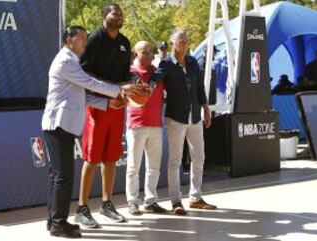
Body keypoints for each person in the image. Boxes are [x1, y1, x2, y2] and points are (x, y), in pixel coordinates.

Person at [42, 26, 139, 238]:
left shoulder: (72, 61)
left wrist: (107, 103)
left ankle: (54, 221)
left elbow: (82, 95)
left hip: (61, 125)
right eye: (82, 38)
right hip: (59, 124)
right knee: (63, 177)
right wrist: (120, 90)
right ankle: (58, 222)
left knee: (58, 176)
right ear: (69, 40)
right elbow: (89, 83)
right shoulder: (66, 60)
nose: (85, 42)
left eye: (86, 37)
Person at [74, 3, 132, 228]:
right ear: (103, 16)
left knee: (111, 157)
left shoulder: (125, 42)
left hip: (118, 106)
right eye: (113, 12)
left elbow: (126, 76)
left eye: (120, 13)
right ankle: (82, 207)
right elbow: (85, 74)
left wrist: (134, 87)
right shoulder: (94, 40)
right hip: (97, 106)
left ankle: (107, 204)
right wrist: (111, 91)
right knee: (92, 158)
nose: (118, 15)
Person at [148, 28, 217, 215]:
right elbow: (155, 79)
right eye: (181, 41)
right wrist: (146, 88)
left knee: (199, 158)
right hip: (176, 119)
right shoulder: (167, 64)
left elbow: (199, 87)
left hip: (195, 117)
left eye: (186, 40)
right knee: (175, 161)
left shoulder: (193, 62)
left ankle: (195, 197)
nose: (184, 44)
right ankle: (176, 201)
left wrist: (206, 108)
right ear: (172, 44)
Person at [125, 41, 167, 215]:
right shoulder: (130, 72)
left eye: (150, 52)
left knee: (154, 167)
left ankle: (151, 200)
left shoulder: (157, 72)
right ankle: (133, 201)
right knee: (134, 166)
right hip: (137, 125)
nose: (149, 55)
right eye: (144, 52)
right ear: (136, 54)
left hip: (156, 124)